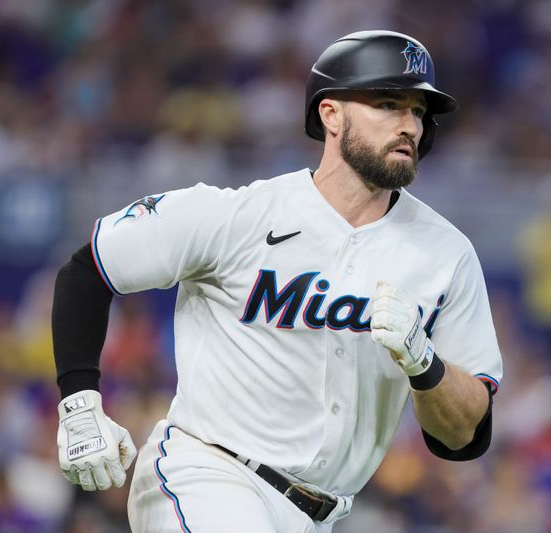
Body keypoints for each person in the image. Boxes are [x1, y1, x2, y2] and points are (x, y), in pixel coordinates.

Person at [52, 30, 503, 532]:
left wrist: (426, 365)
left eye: (419, 111)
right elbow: (90, 267)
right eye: (388, 103)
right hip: (207, 474)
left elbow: (466, 436)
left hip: (323, 514)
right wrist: (79, 400)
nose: (409, 125)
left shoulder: (446, 254)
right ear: (331, 114)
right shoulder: (241, 214)